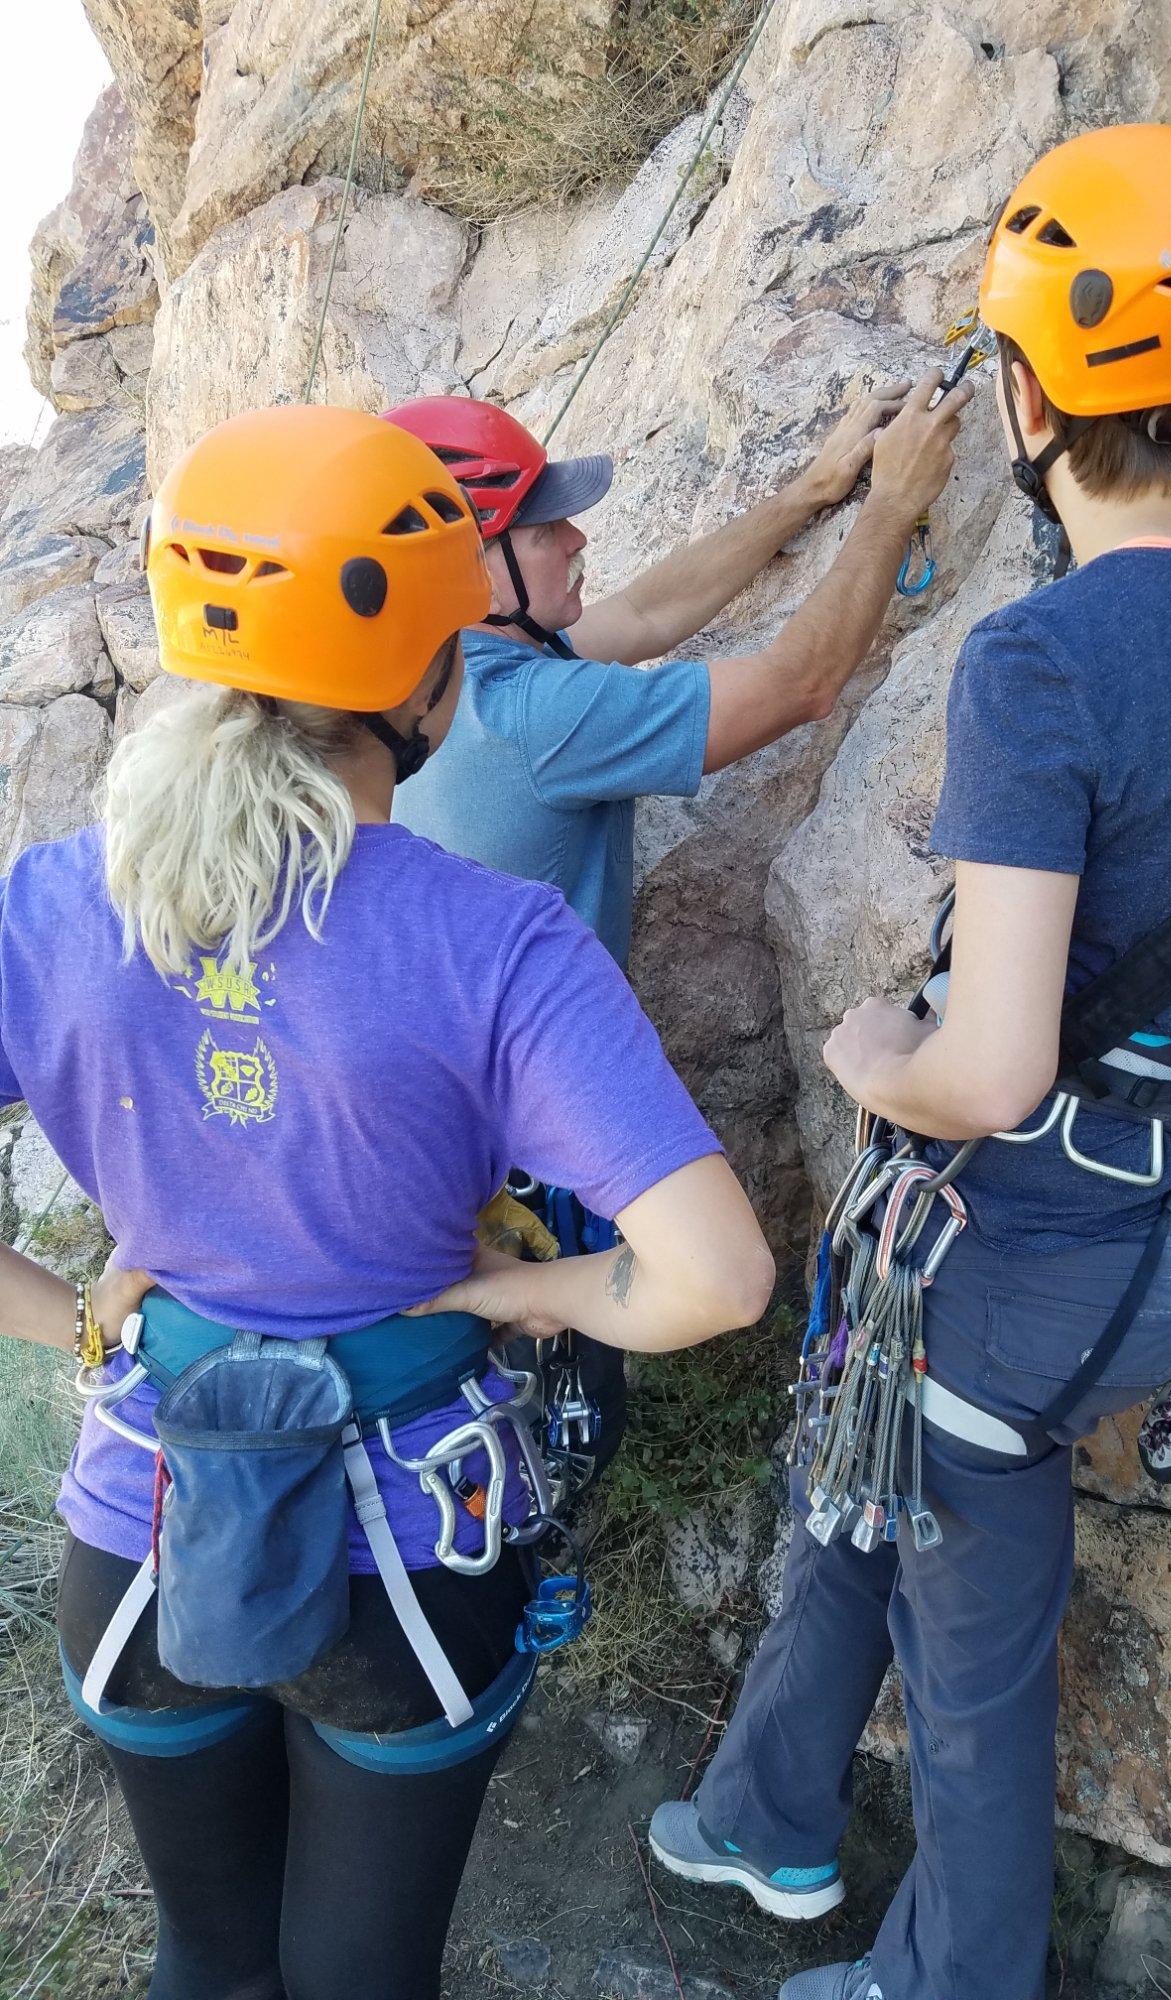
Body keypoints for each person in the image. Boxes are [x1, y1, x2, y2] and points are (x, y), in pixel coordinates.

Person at [644, 123, 1171, 2000]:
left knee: (973, 1620)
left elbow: (989, 1072)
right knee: (869, 1464)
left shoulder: (1050, 661)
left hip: (1027, 1251)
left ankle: (954, 1978)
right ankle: (760, 1810)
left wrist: (872, 1055)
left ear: (1024, 389)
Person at [0, 403, 774, 2000]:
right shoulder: (494, 943)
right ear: (433, 682)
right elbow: (715, 1277)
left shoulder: (57, 905)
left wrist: (73, 1312)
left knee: (208, 1962)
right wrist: (521, 1294)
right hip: (414, 1539)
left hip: (144, 1512)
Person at [382, 377, 971, 1494]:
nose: (576, 535)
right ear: (474, 570)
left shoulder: (441, 681)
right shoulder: (533, 715)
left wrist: (812, 491)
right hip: (530, 1143)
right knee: (553, 1410)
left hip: (454, 1116)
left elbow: (648, 613)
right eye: (541, 524)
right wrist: (890, 508)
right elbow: (800, 685)